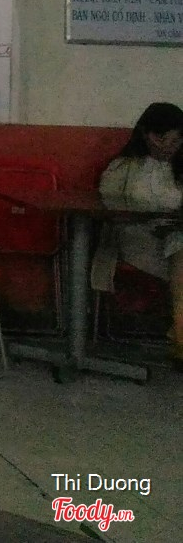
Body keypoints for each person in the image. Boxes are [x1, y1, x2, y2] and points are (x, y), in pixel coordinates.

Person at [93, 102, 183, 367]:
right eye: (169, 140)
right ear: (150, 136)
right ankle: (179, 337)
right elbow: (106, 209)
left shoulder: (180, 168)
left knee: (179, 244)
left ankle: (180, 336)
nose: (173, 147)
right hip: (135, 238)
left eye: (178, 141)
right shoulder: (122, 168)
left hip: (173, 237)